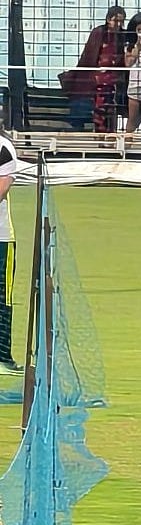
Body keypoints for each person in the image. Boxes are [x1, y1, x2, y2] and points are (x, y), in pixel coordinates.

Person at [62, 6, 125, 134]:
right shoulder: (99, 33)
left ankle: (109, 134)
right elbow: (89, 55)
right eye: (115, 20)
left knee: (110, 109)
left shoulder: (122, 36)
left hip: (113, 80)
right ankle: (100, 134)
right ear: (108, 19)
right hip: (97, 79)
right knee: (99, 109)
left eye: (121, 21)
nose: (118, 24)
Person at [0, 135, 20, 373]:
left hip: (1, 239)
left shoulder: (4, 148)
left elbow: (1, 189)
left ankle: (3, 357)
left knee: (2, 299)